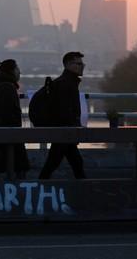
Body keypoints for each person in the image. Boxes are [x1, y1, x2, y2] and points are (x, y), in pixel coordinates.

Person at [38, 51, 87, 179]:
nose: (83, 66)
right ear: (69, 65)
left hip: (64, 131)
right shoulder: (66, 84)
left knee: (74, 163)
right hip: (64, 132)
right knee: (55, 164)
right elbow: (65, 111)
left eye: (82, 64)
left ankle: (85, 190)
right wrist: (73, 128)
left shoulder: (66, 82)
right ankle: (86, 192)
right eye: (79, 63)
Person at [0, 59, 30, 180]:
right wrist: (14, 131)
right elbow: (7, 113)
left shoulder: (1, 85)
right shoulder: (7, 87)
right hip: (10, 134)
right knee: (17, 165)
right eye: (17, 69)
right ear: (11, 71)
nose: (19, 72)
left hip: (1, 133)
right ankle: (18, 192)